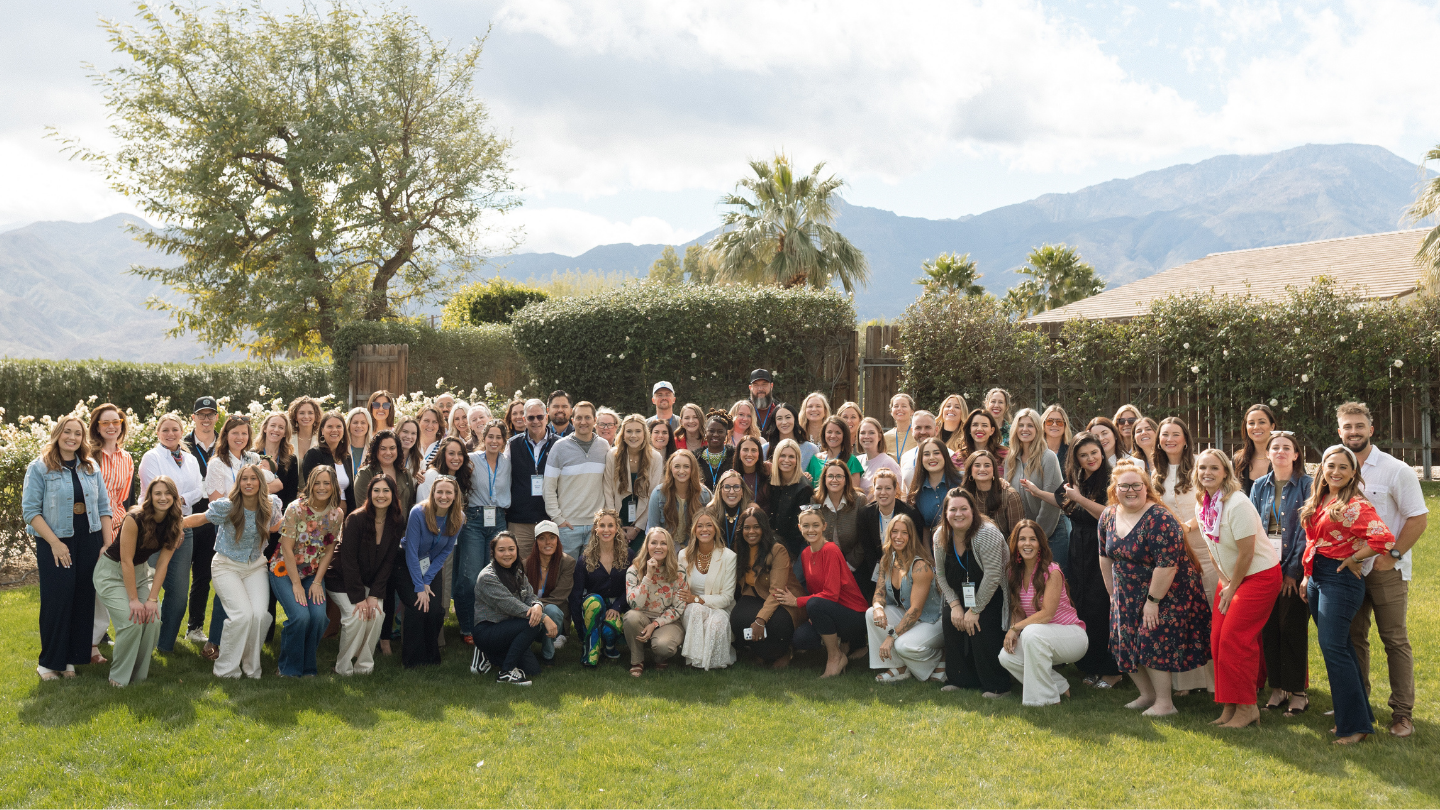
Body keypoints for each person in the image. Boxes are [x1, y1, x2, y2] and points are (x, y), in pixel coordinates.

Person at [1337, 401, 1426, 739]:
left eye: (1359, 426)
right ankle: (1359, 706)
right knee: (1354, 638)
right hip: (1350, 571)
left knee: (1394, 640)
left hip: (1386, 569)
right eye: (1347, 427)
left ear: (1371, 429)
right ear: (1340, 431)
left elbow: (1418, 518)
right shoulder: (1336, 469)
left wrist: (1394, 555)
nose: (1354, 432)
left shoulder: (1395, 470)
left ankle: (1402, 713)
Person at [1301, 443, 1397, 744]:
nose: (1336, 471)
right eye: (1331, 465)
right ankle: (1358, 715)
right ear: (1322, 468)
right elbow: (1313, 539)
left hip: (1339, 580)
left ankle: (1355, 727)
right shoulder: (1322, 497)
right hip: (1317, 576)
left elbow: (1384, 539)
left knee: (1333, 647)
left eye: (1344, 467)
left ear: (1353, 472)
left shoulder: (1354, 504)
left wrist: (1355, 557)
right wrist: (1306, 576)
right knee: (1339, 647)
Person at [1099, 461, 1212, 716]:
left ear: (1146, 488)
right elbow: (1104, 557)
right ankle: (1147, 695)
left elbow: (1167, 566)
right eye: (1124, 486)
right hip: (1126, 592)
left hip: (1166, 591)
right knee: (1124, 640)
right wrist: (1112, 594)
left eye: (1136, 485)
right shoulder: (1108, 516)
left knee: (1152, 640)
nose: (1130, 490)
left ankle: (1165, 703)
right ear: (1115, 490)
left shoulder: (1160, 518)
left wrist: (1153, 602)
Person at [1019, 432, 1120, 687]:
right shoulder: (1077, 478)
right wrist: (1038, 492)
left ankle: (1113, 670)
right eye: (1083, 455)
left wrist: (1079, 499)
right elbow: (1062, 500)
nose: (1090, 458)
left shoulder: (1111, 479)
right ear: (1076, 458)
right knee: (1083, 605)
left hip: (1103, 549)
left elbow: (1110, 514)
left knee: (1102, 607)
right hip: (1079, 549)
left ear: (1102, 452)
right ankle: (1091, 665)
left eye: (1094, 453)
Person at [1194, 448, 1281, 729]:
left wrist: (1232, 588)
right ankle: (1229, 706)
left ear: (1225, 473)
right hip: (1231, 579)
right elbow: (1212, 550)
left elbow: (1247, 552)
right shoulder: (1203, 504)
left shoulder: (1237, 503)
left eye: (1214, 468)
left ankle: (1247, 708)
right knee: (1218, 639)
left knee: (1235, 639)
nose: (1207, 473)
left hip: (1258, 576)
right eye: (1202, 468)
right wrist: (1226, 582)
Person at [25, 416, 113, 680]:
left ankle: (69, 661)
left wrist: (107, 544)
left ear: (82, 438)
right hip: (55, 542)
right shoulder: (39, 467)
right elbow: (31, 512)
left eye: (77, 433)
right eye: (67, 432)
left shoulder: (90, 466)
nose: (72, 437)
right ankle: (48, 663)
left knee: (82, 600)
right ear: (57, 434)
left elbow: (104, 507)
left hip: (89, 540)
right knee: (57, 601)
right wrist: (55, 543)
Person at [183, 463, 283, 678]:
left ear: (261, 482)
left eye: (253, 478)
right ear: (238, 483)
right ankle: (226, 669)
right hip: (226, 565)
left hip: (255, 566)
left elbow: (274, 526)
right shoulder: (228, 506)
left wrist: (299, 516)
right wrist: (175, 524)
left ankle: (251, 667)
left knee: (259, 616)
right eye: (244, 479)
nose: (249, 483)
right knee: (242, 616)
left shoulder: (271, 504)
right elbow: (200, 518)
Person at [93, 477, 183, 686]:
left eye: (167, 493)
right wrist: (134, 600)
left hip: (142, 573)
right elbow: (126, 560)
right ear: (150, 496)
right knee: (131, 621)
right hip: (112, 572)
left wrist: (152, 600)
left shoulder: (176, 521)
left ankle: (139, 675)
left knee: (153, 619)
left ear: (174, 497)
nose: (163, 498)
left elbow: (162, 564)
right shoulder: (134, 518)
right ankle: (118, 677)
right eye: (157, 493)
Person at [1251, 431, 1313, 717]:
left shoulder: (1307, 485)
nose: (1280, 452)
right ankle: (1277, 688)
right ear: (1268, 453)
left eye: (1286, 448)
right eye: (1275, 447)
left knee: (1292, 628)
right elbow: (1254, 526)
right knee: (1270, 630)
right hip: (1266, 568)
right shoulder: (1259, 486)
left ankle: (1298, 692)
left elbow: (1306, 531)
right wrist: (1264, 569)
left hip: (1294, 570)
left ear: (1296, 454)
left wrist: (1291, 572)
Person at [1151, 416, 1214, 695]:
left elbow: (1213, 504)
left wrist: (1188, 527)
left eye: (1175, 434)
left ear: (1186, 439)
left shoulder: (1201, 466)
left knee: (1210, 611)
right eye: (1165, 435)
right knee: (1183, 615)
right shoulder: (1155, 474)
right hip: (1173, 554)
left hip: (1205, 549)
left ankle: (1216, 682)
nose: (1170, 439)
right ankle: (1187, 683)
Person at [1000, 520, 1089, 706]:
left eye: (1033, 539)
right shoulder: (1014, 573)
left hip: (1071, 637)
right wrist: (1014, 631)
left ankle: (1046, 699)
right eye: (1022, 539)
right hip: (1040, 636)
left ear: (1040, 543)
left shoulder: (1052, 571)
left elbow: (1047, 614)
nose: (1027, 543)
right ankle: (1059, 685)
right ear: (1015, 543)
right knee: (1007, 657)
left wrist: (1015, 628)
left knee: (1031, 633)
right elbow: (1018, 610)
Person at [137, 413, 204, 656]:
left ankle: (164, 645)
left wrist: (179, 499)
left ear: (181, 432)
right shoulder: (151, 457)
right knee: (149, 588)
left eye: (175, 429)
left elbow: (200, 490)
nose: (170, 434)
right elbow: (155, 493)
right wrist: (182, 499)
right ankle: (142, 640)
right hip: (154, 529)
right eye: (165, 429)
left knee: (178, 594)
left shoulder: (191, 459)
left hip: (184, 528)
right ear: (158, 433)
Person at [932, 489, 1010, 696]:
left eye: (964, 508)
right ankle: (960, 679)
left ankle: (997, 685)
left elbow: (993, 575)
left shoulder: (986, 533)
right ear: (946, 513)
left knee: (981, 625)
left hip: (990, 593)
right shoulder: (940, 536)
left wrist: (975, 610)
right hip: (958, 593)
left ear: (973, 511)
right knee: (950, 619)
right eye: (953, 509)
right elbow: (940, 574)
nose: (958, 514)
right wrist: (955, 605)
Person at [269, 466, 344, 677]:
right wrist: (296, 584)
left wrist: (318, 582)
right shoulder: (296, 509)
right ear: (310, 485)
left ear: (333, 486)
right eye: (317, 483)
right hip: (284, 571)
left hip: (312, 574)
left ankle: (308, 667)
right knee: (300, 617)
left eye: (326, 483)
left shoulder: (336, 514)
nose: (322, 487)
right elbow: (286, 548)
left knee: (319, 617)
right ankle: (288, 669)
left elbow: (329, 549)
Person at [325, 473, 403, 676]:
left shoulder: (396, 521)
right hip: (341, 579)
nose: (381, 495)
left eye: (386, 490)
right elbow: (348, 561)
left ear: (393, 494)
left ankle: (364, 666)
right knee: (356, 617)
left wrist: (373, 595)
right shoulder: (356, 519)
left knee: (377, 613)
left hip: (370, 582)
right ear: (369, 493)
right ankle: (342, 667)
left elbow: (388, 562)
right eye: (376, 490)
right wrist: (359, 598)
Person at [779, 507, 869, 678]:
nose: (811, 530)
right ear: (799, 528)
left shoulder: (831, 550)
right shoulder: (805, 554)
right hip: (829, 609)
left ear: (824, 526)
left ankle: (835, 657)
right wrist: (813, 611)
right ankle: (841, 647)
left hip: (854, 615)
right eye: (806, 526)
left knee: (815, 604)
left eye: (815, 525)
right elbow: (816, 591)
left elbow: (831, 594)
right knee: (801, 638)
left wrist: (798, 602)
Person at [866, 514, 944, 684]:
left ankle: (940, 655)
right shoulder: (887, 560)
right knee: (871, 613)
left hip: (933, 621)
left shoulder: (920, 566)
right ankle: (899, 666)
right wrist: (878, 607)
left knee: (902, 645)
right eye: (894, 531)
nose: (898, 537)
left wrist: (891, 638)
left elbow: (915, 611)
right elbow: (879, 593)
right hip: (911, 618)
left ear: (911, 537)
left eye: (904, 532)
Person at [472, 531, 553, 686]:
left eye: (511, 549)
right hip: (488, 630)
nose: (507, 554)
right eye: (501, 550)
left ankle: (489, 655)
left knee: (533, 670)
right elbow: (511, 605)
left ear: (517, 550)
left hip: (509, 630)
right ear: (493, 552)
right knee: (531, 624)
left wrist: (537, 605)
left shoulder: (517, 572)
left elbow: (530, 595)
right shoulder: (487, 577)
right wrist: (544, 617)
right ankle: (506, 672)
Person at [397, 475, 461, 668]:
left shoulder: (458, 517)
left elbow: (445, 552)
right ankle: (412, 660)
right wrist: (419, 586)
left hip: (431, 566)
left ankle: (431, 656)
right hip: (406, 563)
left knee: (434, 610)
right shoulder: (418, 512)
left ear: (455, 495)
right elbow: (411, 551)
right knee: (418, 606)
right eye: (439, 492)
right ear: (432, 493)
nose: (444, 496)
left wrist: (427, 581)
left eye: (448, 492)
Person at [88, 402, 133, 662]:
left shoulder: (126, 458)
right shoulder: (88, 456)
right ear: (97, 426)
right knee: (92, 586)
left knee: (108, 584)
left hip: (116, 528)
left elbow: (121, 498)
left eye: (116, 421)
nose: (111, 426)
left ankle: (94, 641)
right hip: (90, 527)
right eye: (105, 422)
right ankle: (90, 643)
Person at [730, 506, 800, 667]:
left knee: (777, 622)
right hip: (754, 593)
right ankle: (762, 652)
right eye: (747, 527)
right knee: (738, 619)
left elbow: (777, 590)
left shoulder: (777, 550)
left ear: (764, 528)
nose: (751, 532)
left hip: (784, 597)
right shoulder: (740, 547)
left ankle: (784, 651)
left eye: (756, 527)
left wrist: (760, 620)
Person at [543, 400, 609, 561]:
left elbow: (609, 485)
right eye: (579, 418)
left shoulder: (604, 446)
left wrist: (604, 520)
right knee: (566, 572)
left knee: (593, 572)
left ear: (595, 420)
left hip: (596, 526)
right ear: (573, 420)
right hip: (568, 527)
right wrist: (558, 519)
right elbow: (548, 487)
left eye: (587, 417)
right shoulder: (559, 447)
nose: (583, 422)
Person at [676, 512, 738, 670]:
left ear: (715, 529)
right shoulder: (683, 555)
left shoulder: (729, 557)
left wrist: (696, 598)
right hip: (691, 608)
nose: (705, 529)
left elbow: (727, 597)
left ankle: (711, 663)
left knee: (716, 624)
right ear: (694, 530)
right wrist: (692, 601)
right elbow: (681, 590)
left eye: (709, 525)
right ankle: (694, 661)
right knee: (695, 610)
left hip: (720, 608)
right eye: (700, 526)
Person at [624, 527, 688, 676]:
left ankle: (660, 656)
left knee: (663, 646)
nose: (658, 547)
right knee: (630, 617)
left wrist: (655, 625)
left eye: (663, 543)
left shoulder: (679, 571)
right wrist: (648, 576)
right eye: (654, 543)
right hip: (642, 616)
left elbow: (678, 608)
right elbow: (634, 604)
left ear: (669, 547)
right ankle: (637, 660)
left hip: (669, 620)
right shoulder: (634, 570)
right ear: (647, 546)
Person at [182, 398, 219, 649]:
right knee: (176, 574)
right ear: (193, 417)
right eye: (201, 415)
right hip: (187, 512)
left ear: (216, 417)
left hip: (214, 514)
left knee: (203, 575)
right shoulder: (182, 444)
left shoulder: (224, 443)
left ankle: (194, 627)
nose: (206, 419)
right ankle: (165, 626)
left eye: (210, 415)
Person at [571, 510, 630, 666]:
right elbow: (576, 595)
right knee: (595, 601)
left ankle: (609, 647)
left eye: (610, 525)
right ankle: (590, 649)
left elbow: (633, 587)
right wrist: (580, 629)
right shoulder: (585, 559)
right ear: (595, 529)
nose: (606, 530)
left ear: (617, 528)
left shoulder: (628, 555)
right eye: (602, 525)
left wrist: (618, 606)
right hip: (594, 607)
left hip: (617, 606)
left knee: (609, 631)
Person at [854, 469, 921, 602]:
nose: (883, 492)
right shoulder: (865, 514)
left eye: (888, 488)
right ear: (874, 490)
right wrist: (881, 574)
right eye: (879, 488)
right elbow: (867, 549)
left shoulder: (910, 514)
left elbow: (914, 547)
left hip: (904, 566)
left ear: (895, 490)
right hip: (875, 566)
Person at [603, 414, 665, 551]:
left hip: (644, 519)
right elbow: (607, 490)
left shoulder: (655, 458)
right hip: (617, 516)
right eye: (629, 431)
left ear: (644, 434)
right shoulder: (612, 455)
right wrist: (615, 524)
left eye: (638, 431)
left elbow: (653, 495)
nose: (633, 436)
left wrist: (637, 528)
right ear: (623, 434)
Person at [507, 398, 557, 562]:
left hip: (550, 519)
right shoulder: (512, 445)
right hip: (520, 521)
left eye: (539, 417)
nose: (535, 421)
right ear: (524, 420)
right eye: (531, 417)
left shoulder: (559, 445)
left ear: (546, 417)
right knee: (521, 567)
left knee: (548, 567)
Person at [523, 521, 575, 664]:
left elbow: (559, 597)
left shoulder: (567, 562)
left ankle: (548, 655)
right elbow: (522, 596)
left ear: (557, 540)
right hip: (530, 616)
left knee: (552, 609)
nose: (548, 542)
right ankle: (524, 651)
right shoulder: (525, 564)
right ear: (536, 542)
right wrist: (534, 609)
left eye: (552, 537)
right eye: (542, 538)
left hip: (554, 619)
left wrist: (537, 606)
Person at [1006, 408, 1063, 538]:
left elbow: (1051, 505)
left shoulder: (1048, 457)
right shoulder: (1010, 459)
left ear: (1038, 429)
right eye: (1021, 425)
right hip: (1023, 534)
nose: (1025, 429)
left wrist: (1036, 535)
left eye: (1030, 425)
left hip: (1051, 532)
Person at [766, 440, 816, 577]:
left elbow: (798, 531)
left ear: (797, 460)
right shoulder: (770, 482)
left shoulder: (804, 488)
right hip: (770, 542)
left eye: (791, 456)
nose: (786, 460)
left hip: (794, 548)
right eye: (782, 455)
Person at [647, 450, 713, 551]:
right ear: (670, 469)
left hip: (694, 549)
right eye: (677, 466)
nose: (681, 471)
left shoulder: (704, 495)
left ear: (693, 469)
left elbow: (708, 529)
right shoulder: (658, 494)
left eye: (686, 466)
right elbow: (652, 530)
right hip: (665, 549)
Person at [906, 437, 964, 535]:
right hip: (933, 542)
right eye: (926, 454)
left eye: (936, 453)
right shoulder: (917, 491)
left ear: (945, 455)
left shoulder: (961, 482)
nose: (932, 457)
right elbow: (925, 528)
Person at [961, 450, 1024, 540]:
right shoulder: (963, 496)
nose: (982, 469)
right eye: (977, 465)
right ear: (970, 470)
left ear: (994, 469)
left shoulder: (1010, 496)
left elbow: (1016, 536)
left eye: (987, 465)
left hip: (1002, 547)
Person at [814, 460, 861, 575]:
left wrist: (850, 564)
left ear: (846, 480)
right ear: (824, 479)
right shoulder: (815, 500)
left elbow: (865, 538)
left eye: (839, 476)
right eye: (830, 476)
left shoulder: (859, 501)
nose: (834, 480)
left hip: (854, 565)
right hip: (824, 563)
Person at [302, 411, 354, 511]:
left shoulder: (346, 457)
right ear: (322, 430)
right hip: (322, 514)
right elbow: (310, 489)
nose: (334, 430)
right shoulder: (313, 454)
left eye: (338, 426)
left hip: (345, 514)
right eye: (330, 426)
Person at [808, 415, 865, 490]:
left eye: (838, 432)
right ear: (824, 434)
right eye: (829, 432)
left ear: (844, 435)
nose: (833, 436)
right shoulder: (815, 460)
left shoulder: (851, 461)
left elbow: (854, 492)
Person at [1234, 404, 1278, 496]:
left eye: (1262, 422)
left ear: (1272, 426)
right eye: (1251, 423)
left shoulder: (1285, 457)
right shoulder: (1238, 460)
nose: (1256, 427)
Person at [708, 470, 754, 550]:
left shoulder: (751, 511)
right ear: (720, 491)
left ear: (742, 491)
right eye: (727, 487)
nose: (731, 492)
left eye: (736, 487)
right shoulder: (711, 511)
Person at [764, 402, 815, 473]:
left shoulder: (811, 449)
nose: (784, 422)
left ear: (795, 419)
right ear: (775, 422)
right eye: (779, 418)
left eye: (788, 417)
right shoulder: (765, 449)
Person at [856, 416, 901, 497]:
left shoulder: (888, 463)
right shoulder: (857, 461)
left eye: (871, 433)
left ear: (879, 436)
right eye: (863, 433)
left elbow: (898, 494)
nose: (866, 436)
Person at [695, 411, 737, 491]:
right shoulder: (696, 458)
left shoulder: (735, 456)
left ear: (726, 434)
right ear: (705, 433)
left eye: (720, 431)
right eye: (711, 431)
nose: (715, 434)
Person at [729, 435, 771, 513]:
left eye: (754, 450)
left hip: (766, 518)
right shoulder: (731, 476)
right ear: (739, 453)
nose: (749, 454)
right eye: (745, 450)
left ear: (759, 454)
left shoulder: (768, 469)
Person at [896, 411, 939, 485]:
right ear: (912, 431)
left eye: (927, 427)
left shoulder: (949, 455)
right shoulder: (906, 457)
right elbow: (904, 490)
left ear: (936, 430)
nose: (923, 432)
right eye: (918, 428)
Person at [883, 394, 916, 462]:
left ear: (912, 411)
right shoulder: (885, 437)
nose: (899, 409)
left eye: (904, 406)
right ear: (891, 412)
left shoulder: (918, 435)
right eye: (896, 406)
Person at [1040, 405, 1073, 473]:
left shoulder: (1072, 451)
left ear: (1065, 425)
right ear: (1043, 424)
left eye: (1059, 422)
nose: (1054, 424)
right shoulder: (1034, 450)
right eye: (1049, 421)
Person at [748, 369, 777, 437]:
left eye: (764, 384)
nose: (760, 389)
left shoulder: (779, 409)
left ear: (771, 386)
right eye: (756, 385)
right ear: (750, 388)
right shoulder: (743, 410)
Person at [345, 406, 373, 476]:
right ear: (349, 425)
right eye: (355, 422)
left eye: (363, 423)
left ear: (368, 425)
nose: (359, 426)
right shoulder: (341, 449)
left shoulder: (374, 450)